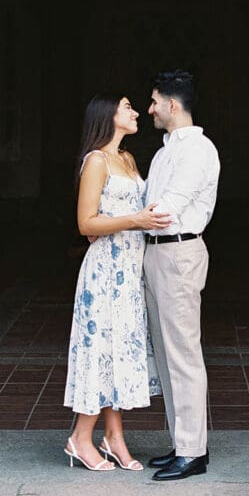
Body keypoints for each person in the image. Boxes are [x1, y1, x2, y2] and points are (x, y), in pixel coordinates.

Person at [63, 93, 171, 472]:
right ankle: (80, 437)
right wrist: (135, 221)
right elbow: (86, 223)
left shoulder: (126, 159)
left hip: (129, 269)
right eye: (127, 107)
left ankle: (114, 437)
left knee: (121, 353)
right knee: (102, 351)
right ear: (109, 115)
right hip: (105, 271)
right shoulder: (96, 161)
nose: (136, 112)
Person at [143, 69, 220, 481]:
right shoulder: (163, 151)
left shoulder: (198, 150)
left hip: (179, 252)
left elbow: (164, 209)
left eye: (154, 101)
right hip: (155, 254)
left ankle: (193, 451)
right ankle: (182, 442)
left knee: (184, 353)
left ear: (173, 105)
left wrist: (119, 220)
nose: (149, 108)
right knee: (167, 351)